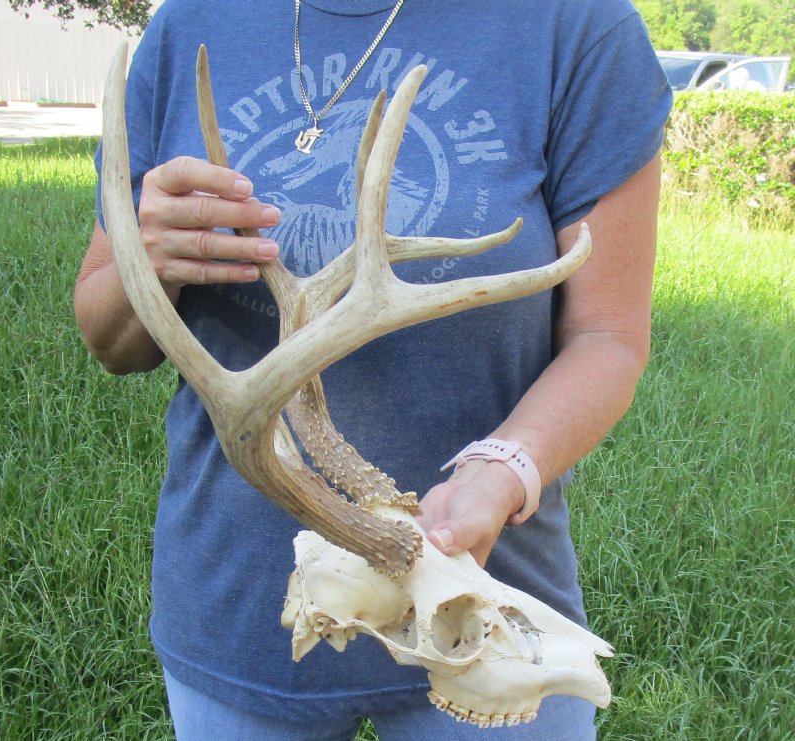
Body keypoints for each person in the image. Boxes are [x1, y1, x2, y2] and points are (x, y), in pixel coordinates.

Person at [74, 0, 671, 738]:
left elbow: (607, 334)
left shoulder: (575, 26)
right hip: (240, 608)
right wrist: (151, 261)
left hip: (479, 612)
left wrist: (503, 466)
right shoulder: (186, 25)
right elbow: (109, 340)